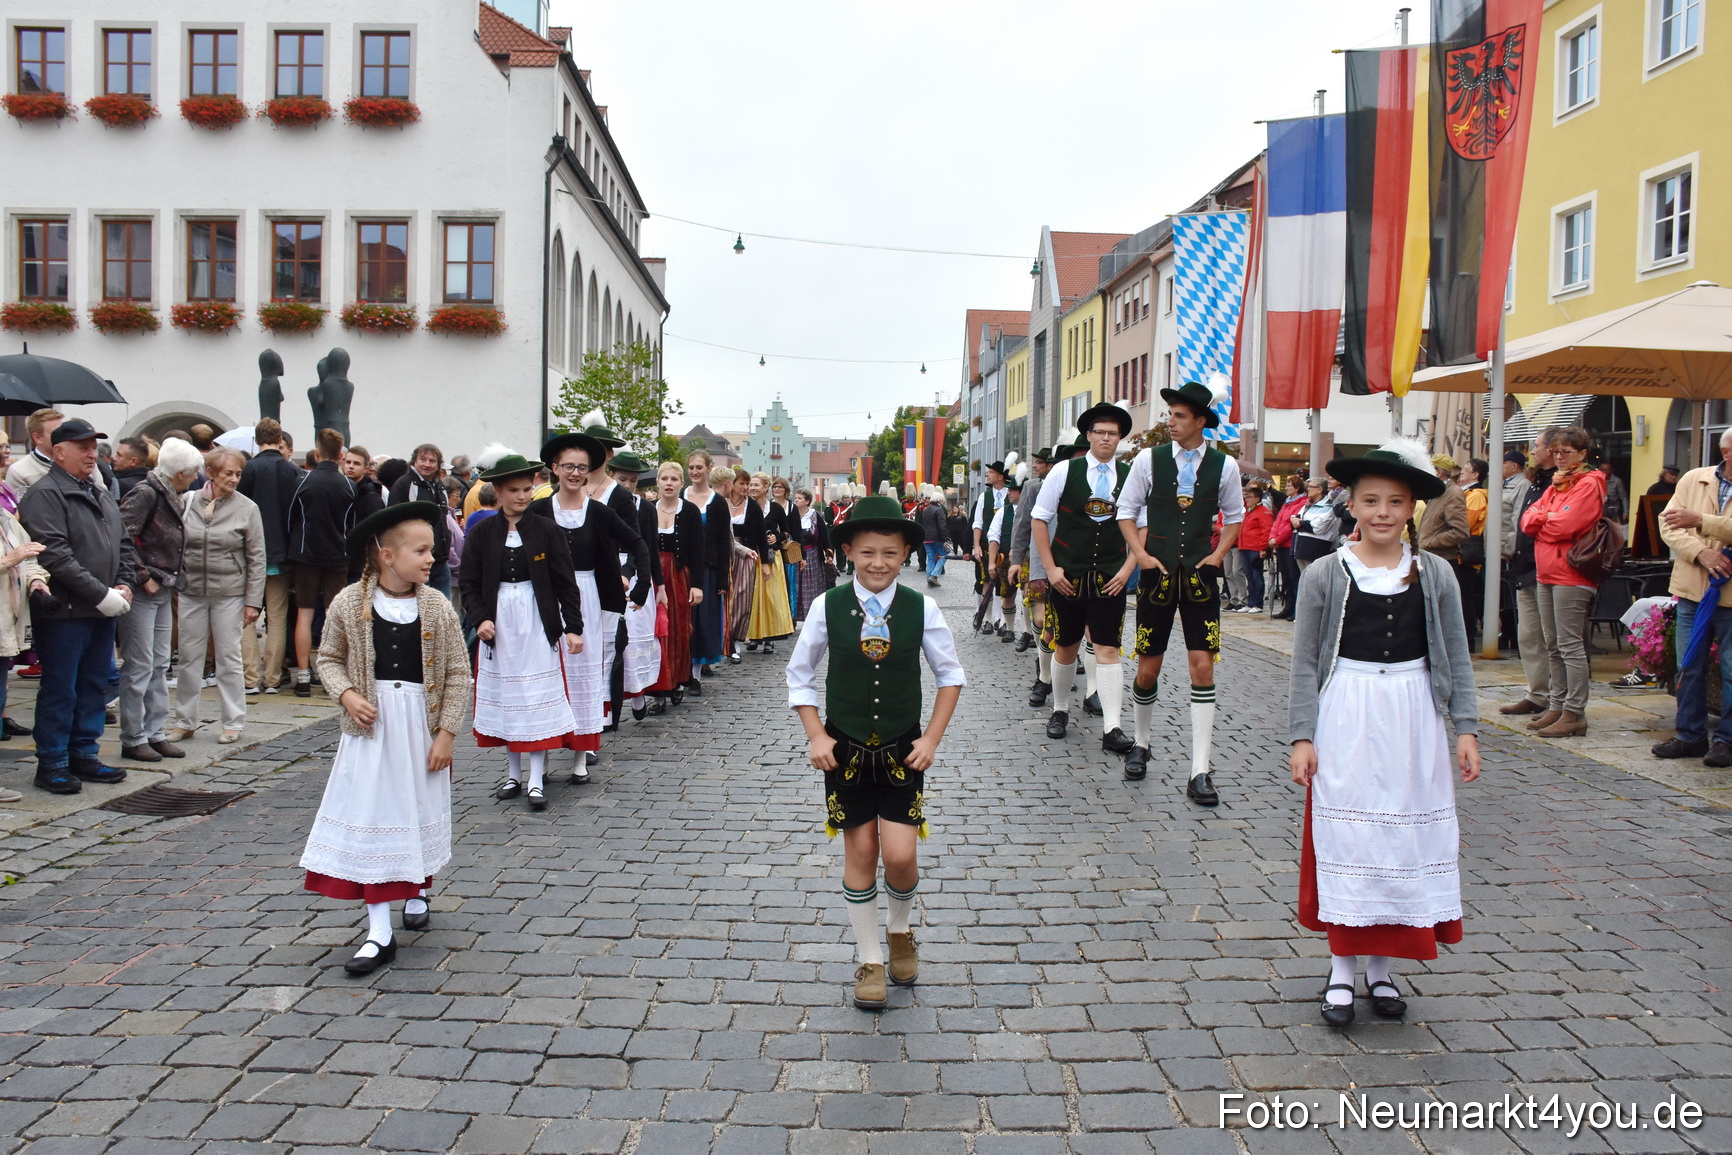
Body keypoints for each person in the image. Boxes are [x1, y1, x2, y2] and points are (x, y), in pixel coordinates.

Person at [1288, 437, 1479, 1029]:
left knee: (1400, 838)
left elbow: (1457, 654)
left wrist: (1465, 727)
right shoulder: (1326, 573)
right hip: (1348, 706)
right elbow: (1303, 661)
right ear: (1352, 506)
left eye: (1395, 503)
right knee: (1352, 837)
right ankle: (1342, 970)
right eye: (1370, 501)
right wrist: (1303, 735)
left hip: (1414, 709)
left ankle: (1381, 967)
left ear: (1411, 510)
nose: (1382, 513)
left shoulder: (1435, 573)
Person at [786, 493, 965, 1010]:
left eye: (889, 553)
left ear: (905, 554)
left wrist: (930, 739)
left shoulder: (921, 606)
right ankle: (868, 957)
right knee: (862, 851)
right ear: (849, 552)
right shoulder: (827, 606)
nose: (878, 563)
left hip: (902, 751)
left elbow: (950, 675)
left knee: (902, 856)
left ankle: (900, 929)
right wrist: (817, 735)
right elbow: (799, 676)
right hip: (843, 750)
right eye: (867, 552)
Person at [300, 502, 471, 976]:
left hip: (418, 724)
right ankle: (379, 930)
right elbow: (329, 657)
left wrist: (446, 734)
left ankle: (415, 886)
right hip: (371, 730)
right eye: (421, 550)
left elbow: (458, 673)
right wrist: (348, 694)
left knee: (414, 807)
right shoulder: (349, 604)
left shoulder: (436, 606)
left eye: (432, 550)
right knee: (374, 813)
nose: (431, 558)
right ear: (386, 556)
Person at [1116, 381, 1244, 805]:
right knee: (1147, 668)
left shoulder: (1224, 466)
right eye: (1169, 414)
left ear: (1200, 422)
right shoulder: (1148, 461)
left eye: (1178, 415)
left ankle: (1200, 769)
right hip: (1156, 575)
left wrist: (1219, 553)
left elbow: (1235, 517)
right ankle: (1141, 742)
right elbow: (1126, 512)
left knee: (1202, 667)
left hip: (1201, 578)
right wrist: (1140, 555)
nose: (1169, 421)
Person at [17, 418, 134, 795]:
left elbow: (125, 544)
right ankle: (52, 762)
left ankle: (84, 753)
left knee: (94, 685)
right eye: (82, 447)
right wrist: (101, 593)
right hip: (65, 613)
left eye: (94, 445)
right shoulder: (45, 493)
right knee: (60, 689)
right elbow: (56, 556)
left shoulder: (98, 491)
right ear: (59, 451)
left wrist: (123, 583)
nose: (91, 453)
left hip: (100, 610)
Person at [461, 454, 584, 808]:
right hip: (499, 621)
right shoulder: (483, 532)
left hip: (535, 620)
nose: (522, 496)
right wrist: (481, 617)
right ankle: (513, 773)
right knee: (508, 697)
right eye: (513, 490)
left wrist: (572, 627)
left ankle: (534, 777)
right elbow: (469, 583)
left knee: (534, 696)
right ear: (497, 492)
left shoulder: (546, 530)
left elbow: (565, 583)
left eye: (527, 489)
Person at [530, 435, 648, 778]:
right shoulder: (539, 510)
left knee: (585, 673)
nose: (575, 473)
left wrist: (639, 583)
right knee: (550, 672)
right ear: (555, 468)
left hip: (589, 595)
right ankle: (545, 751)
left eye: (582, 467)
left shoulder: (598, 512)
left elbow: (637, 543)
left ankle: (582, 753)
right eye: (568, 466)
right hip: (548, 597)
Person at [1032, 403, 1137, 761]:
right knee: (1067, 645)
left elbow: (1143, 528)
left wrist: (1127, 569)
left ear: (1120, 438)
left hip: (1110, 575)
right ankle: (1060, 708)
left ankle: (1112, 727)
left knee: (1108, 649)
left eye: (1113, 433)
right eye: (1100, 432)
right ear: (1088, 436)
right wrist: (1051, 569)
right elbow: (1039, 520)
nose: (1106, 438)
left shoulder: (1131, 474)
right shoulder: (1065, 471)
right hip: (1068, 575)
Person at [167, 447, 266, 747]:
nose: (234, 479)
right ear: (209, 473)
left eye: (238, 474)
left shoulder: (247, 508)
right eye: (228, 473)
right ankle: (185, 721)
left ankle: (233, 722)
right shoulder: (187, 502)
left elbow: (257, 557)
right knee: (188, 658)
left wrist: (253, 601)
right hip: (192, 590)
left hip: (230, 593)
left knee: (228, 658)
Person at [116, 437, 201, 763]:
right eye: (192, 472)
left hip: (163, 587)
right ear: (180, 472)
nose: (195, 477)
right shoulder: (147, 492)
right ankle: (134, 737)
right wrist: (143, 576)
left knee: (159, 663)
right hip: (145, 589)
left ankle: (154, 732)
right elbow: (122, 537)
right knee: (139, 665)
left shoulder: (168, 492)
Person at [1518, 425, 1603, 738]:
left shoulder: (1589, 483)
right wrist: (1545, 520)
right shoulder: (1556, 485)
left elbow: (1565, 525)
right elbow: (1528, 521)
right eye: (1555, 452)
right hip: (1546, 572)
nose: (1559, 457)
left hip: (1572, 573)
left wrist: (1545, 520)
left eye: (1566, 452)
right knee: (1552, 644)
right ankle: (1557, 705)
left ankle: (1574, 712)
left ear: (1582, 453)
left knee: (1569, 645)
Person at [1655, 430, 1732, 766]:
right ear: (1725, 450)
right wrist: (1703, 553)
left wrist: (1700, 520)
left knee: (1731, 671)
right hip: (1692, 590)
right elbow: (1669, 524)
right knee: (1688, 666)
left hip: (1730, 598)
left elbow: (1688, 521)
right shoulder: (1694, 479)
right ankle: (1690, 735)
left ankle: (1727, 741)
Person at [238, 418, 302, 695]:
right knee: (277, 616)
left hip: (251, 553)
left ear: (256, 440)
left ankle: (250, 678)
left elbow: (239, 507)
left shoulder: (249, 468)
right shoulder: (292, 470)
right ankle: (273, 678)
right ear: (280, 440)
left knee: (247, 616)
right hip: (282, 551)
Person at [1498, 432, 1556, 718]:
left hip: (1548, 568)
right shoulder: (1537, 482)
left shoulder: (1563, 482)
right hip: (1525, 566)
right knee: (1529, 635)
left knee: (1553, 638)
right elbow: (1522, 522)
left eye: (1537, 445)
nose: (1532, 450)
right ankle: (1537, 693)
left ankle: (1559, 701)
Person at [603, 452, 662, 721]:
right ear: (612, 476)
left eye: (633, 480)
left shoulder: (646, 508)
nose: (627, 485)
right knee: (607, 640)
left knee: (632, 639)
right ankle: (606, 703)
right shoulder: (602, 502)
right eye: (622, 479)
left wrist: (655, 583)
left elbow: (648, 545)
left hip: (636, 572)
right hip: (606, 569)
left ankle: (636, 693)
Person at [0, 499, 50, 799]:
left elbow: (29, 558)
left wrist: (37, 582)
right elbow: (15, 557)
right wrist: (8, 561)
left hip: (6, 624)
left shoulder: (5, 516)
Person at [648, 462, 705, 714]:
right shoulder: (647, 510)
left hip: (679, 576)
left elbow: (697, 551)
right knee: (655, 632)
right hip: (652, 577)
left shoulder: (689, 511)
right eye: (664, 479)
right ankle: (658, 689)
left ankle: (677, 680)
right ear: (657, 482)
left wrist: (698, 586)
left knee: (679, 630)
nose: (669, 483)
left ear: (681, 483)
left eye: (674, 479)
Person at [683, 450, 730, 684]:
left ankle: (696, 675)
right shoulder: (680, 496)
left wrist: (723, 579)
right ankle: (679, 671)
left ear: (709, 468)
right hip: (681, 567)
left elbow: (723, 542)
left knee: (702, 621)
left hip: (708, 568)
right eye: (691, 467)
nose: (694, 472)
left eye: (699, 467)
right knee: (681, 619)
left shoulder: (718, 503)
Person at [389, 444, 453, 598]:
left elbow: (444, 519)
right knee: (421, 612)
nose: (427, 464)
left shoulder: (440, 486)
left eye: (432, 461)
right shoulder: (403, 485)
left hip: (441, 562)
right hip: (417, 563)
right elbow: (394, 523)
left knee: (444, 612)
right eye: (422, 459)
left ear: (438, 465)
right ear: (414, 461)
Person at [724, 467, 765, 662]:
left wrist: (765, 562)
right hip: (723, 555)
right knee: (723, 598)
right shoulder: (720, 502)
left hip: (746, 556)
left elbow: (760, 536)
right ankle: (722, 639)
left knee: (741, 598)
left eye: (748, 484)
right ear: (731, 483)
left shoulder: (753, 506)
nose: (746, 487)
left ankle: (736, 643)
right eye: (742, 483)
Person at [970, 462, 1010, 633]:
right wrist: (976, 545)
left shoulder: (1012, 495)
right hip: (987, 546)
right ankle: (987, 620)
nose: (987, 475)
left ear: (1001, 476)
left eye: (991, 472)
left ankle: (1002, 620)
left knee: (1006, 585)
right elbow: (977, 523)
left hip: (1007, 546)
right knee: (986, 580)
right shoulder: (984, 497)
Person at [7, 408, 64, 499]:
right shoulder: (19, 471)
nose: (63, 436)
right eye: (56, 433)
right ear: (37, 438)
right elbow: (22, 510)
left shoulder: (79, 460)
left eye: (64, 431)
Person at [1271, 476, 1306, 620]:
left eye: (1289, 485)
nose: (1286, 488)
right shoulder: (1286, 503)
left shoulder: (1301, 503)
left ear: (1297, 488)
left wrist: (1277, 538)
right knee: (1285, 578)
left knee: (1294, 578)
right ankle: (1287, 607)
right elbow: (1278, 521)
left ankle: (1295, 609)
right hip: (1280, 545)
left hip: (1290, 544)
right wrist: (1272, 537)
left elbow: (1289, 525)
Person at [794, 487, 831, 621]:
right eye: (796, 498)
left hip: (813, 555)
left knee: (812, 587)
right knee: (795, 586)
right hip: (795, 554)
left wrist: (829, 553)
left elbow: (824, 535)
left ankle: (812, 617)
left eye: (799, 498)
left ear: (807, 501)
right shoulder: (791, 515)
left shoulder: (815, 515)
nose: (796, 500)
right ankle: (793, 617)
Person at [1236, 484, 1273, 614]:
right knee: (1249, 576)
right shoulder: (1248, 511)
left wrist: (1263, 548)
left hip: (1255, 547)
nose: (1246, 499)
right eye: (1246, 497)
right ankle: (1251, 602)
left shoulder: (1263, 511)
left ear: (1257, 498)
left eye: (1249, 497)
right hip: (1245, 546)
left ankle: (1257, 603)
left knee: (1256, 575)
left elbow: (1266, 530)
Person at [1293, 479, 1341, 570]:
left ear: (1320, 490)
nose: (1308, 489)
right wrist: (1298, 521)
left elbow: (1318, 528)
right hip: (1300, 548)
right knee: (1303, 579)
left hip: (1315, 549)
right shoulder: (1308, 504)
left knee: (1313, 579)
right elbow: (1295, 518)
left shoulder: (1328, 506)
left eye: (1311, 487)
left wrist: (1300, 523)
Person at [917, 493, 947, 587]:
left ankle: (929, 579)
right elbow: (942, 526)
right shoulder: (939, 510)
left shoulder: (925, 510)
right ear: (939, 500)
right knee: (943, 556)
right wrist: (945, 539)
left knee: (931, 558)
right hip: (936, 538)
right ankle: (934, 575)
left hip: (926, 538)